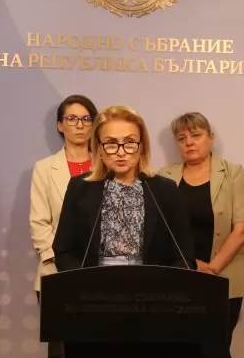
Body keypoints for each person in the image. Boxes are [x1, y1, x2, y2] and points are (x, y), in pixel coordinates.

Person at [159, 112, 244, 358]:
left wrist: (211, 268)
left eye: (196, 135)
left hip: (222, 282)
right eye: (182, 138)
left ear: (210, 137)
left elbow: (242, 229)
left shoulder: (233, 173)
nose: (189, 143)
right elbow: (160, 230)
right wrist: (189, 267)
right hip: (179, 281)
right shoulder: (165, 177)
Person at [52, 105, 194, 272]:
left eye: (130, 142)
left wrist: (162, 284)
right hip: (93, 284)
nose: (121, 152)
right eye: (111, 143)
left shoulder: (165, 190)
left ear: (142, 147)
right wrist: (86, 282)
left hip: (151, 284)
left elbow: (184, 256)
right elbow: (64, 252)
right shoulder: (80, 187)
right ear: (99, 148)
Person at [29, 94, 98, 358]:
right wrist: (62, 263)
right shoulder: (45, 168)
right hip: (56, 274)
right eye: (72, 118)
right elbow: (39, 223)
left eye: (85, 119)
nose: (79, 125)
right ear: (60, 125)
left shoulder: (108, 164)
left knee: (98, 355)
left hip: (102, 273)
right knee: (60, 355)